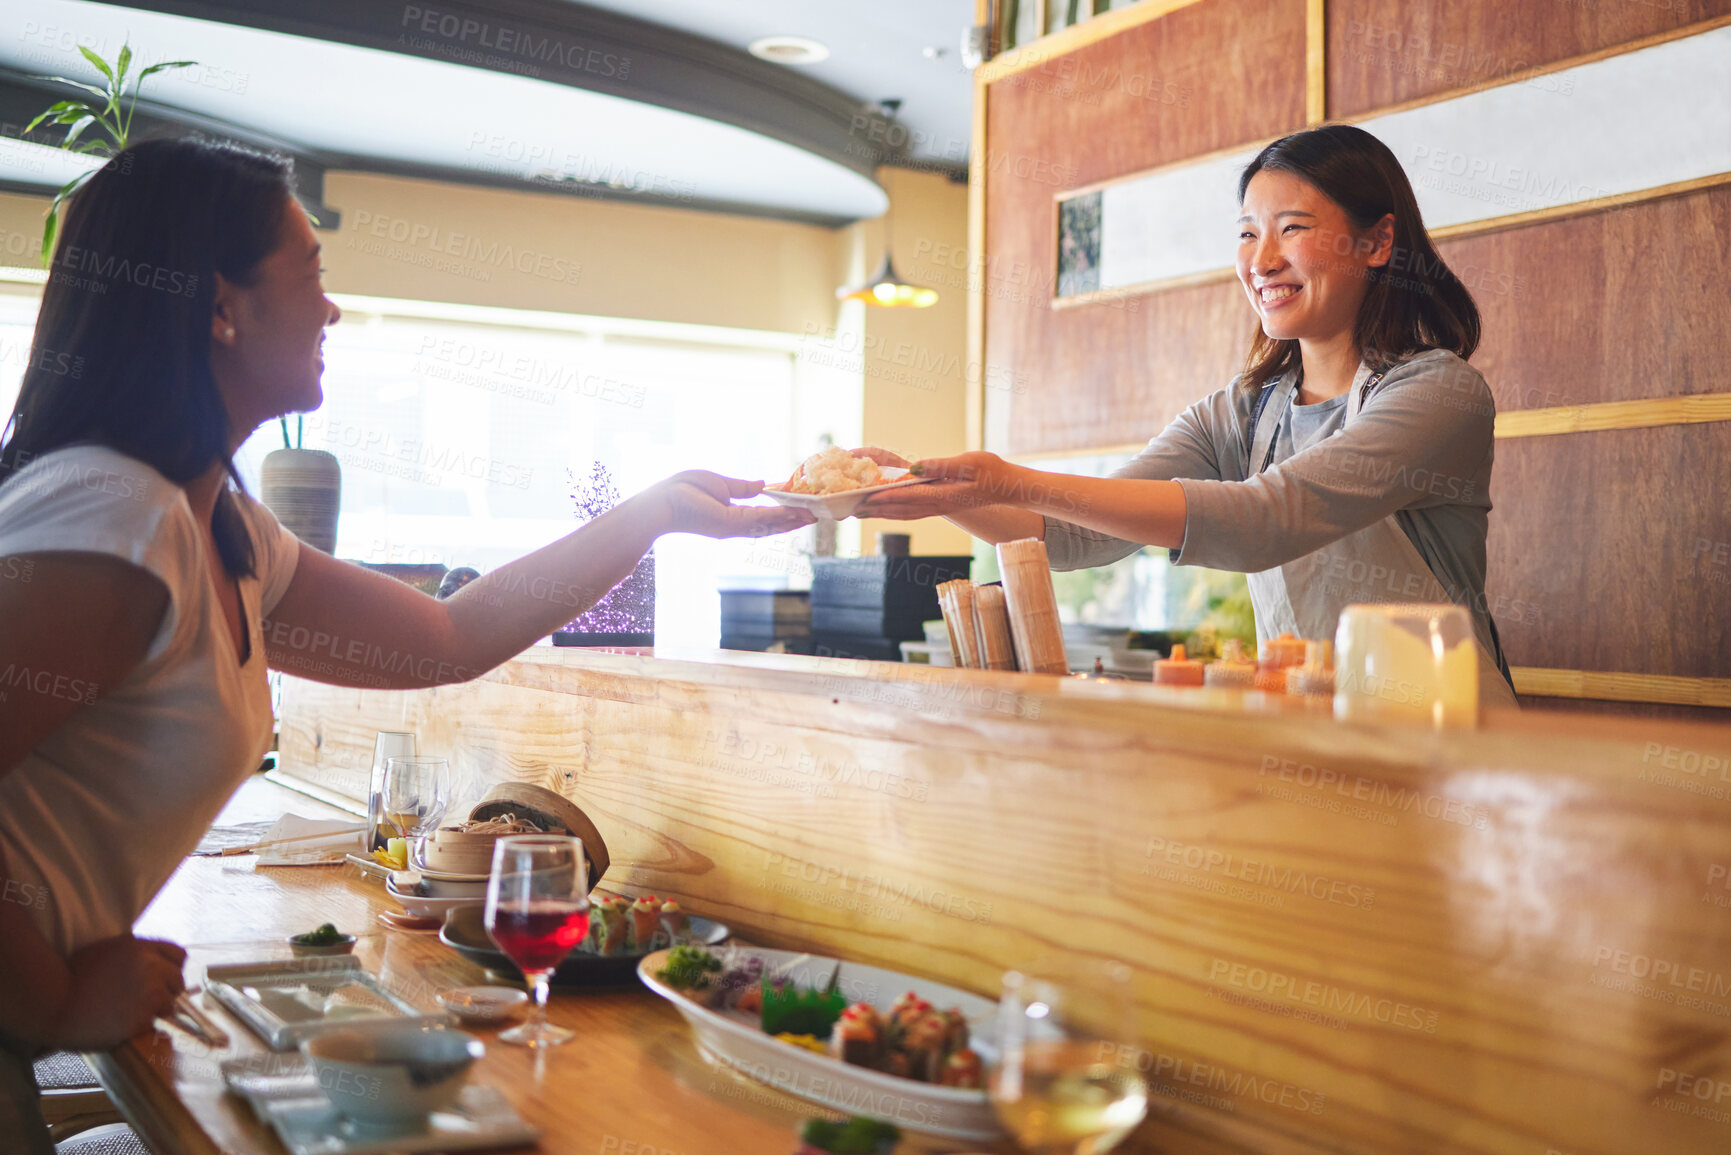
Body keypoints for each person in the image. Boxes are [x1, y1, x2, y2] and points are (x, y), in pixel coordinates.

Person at [0, 138, 812, 1149]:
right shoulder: (118, 519)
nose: (333, 310)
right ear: (222, 306)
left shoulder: (220, 529)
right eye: (313, 275)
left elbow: (446, 638)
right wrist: (57, 999)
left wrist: (655, 514)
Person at [857, 124, 1518, 705]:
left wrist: (1012, 478)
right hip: (1317, 743)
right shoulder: (1240, 413)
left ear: (1376, 244)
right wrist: (920, 489)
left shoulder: (1437, 393)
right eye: (1246, 233)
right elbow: (1066, 535)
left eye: (1292, 229)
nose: (1260, 261)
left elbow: (1270, 519)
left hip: (1446, 741)